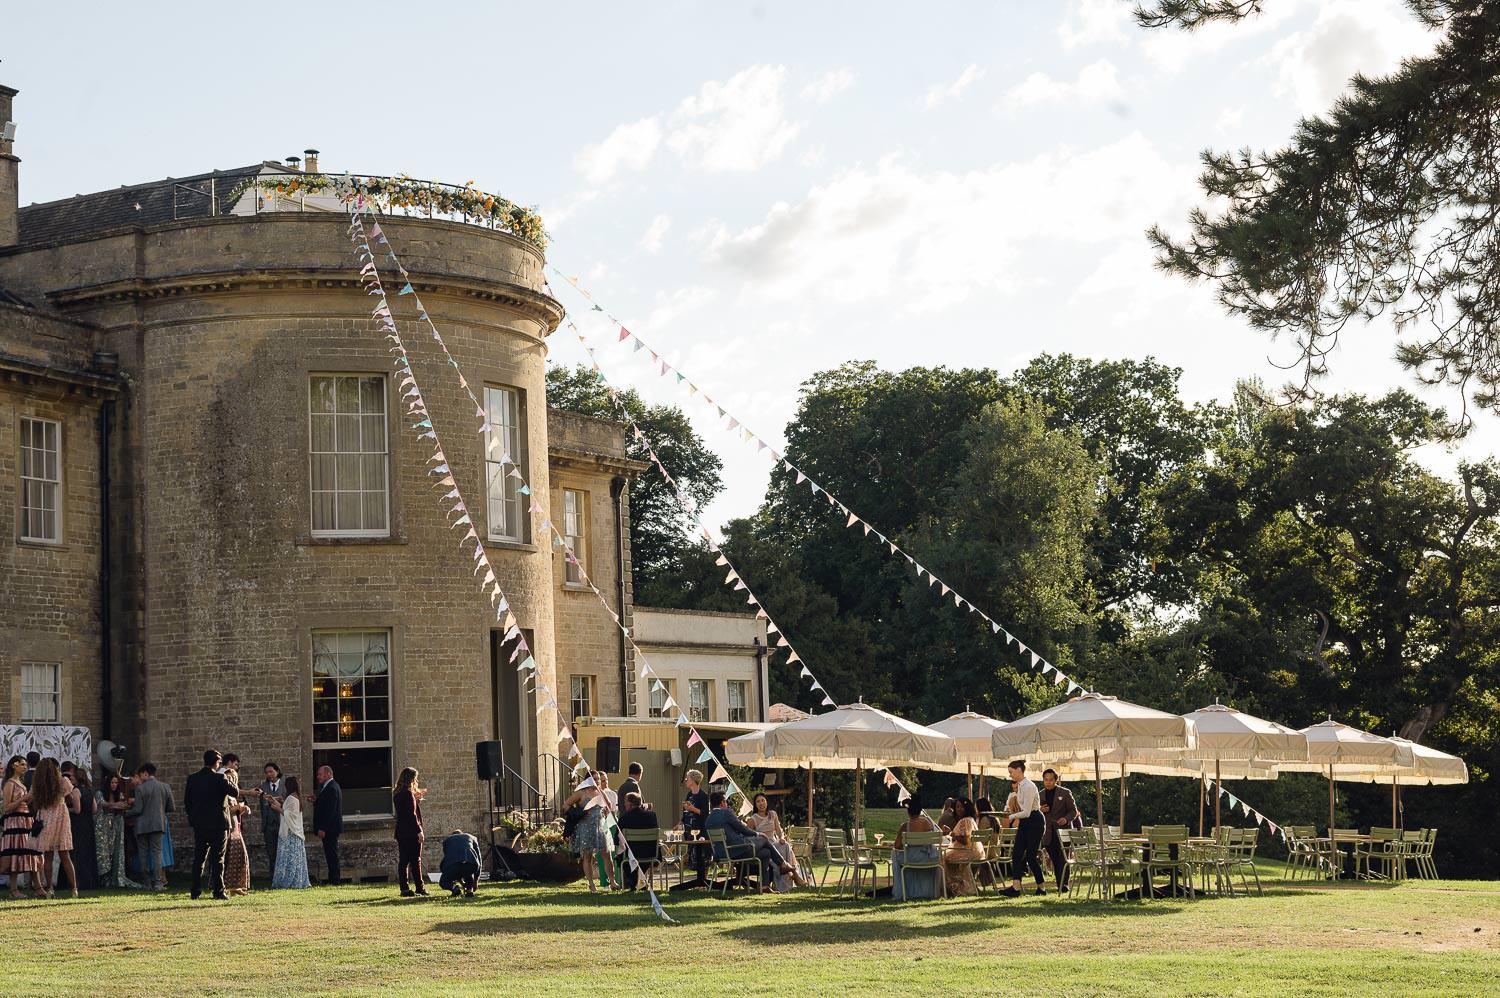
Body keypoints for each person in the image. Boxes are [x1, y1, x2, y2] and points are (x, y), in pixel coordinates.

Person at [704, 791, 794, 893]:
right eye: (726, 801)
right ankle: (782, 864)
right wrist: (757, 834)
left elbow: (730, 831)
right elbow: (743, 829)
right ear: (722, 803)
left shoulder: (708, 819)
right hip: (738, 850)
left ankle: (764, 886)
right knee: (764, 839)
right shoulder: (727, 813)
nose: (727, 804)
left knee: (766, 853)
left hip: (721, 854)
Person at [184, 748, 242, 900]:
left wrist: (194, 818)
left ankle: (195, 891)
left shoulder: (193, 778)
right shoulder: (219, 778)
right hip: (218, 824)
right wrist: (231, 779)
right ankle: (218, 891)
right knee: (218, 859)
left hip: (200, 824)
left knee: (199, 859)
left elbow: (187, 802)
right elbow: (234, 792)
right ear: (217, 763)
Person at [559, 772, 619, 892]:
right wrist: (577, 813)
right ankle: (591, 884)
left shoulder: (601, 793)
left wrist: (605, 812)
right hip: (586, 828)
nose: (597, 781)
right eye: (594, 779)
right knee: (588, 856)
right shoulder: (581, 793)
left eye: (598, 779)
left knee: (607, 855)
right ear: (588, 780)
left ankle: (612, 882)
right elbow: (565, 805)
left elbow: (609, 806)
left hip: (601, 828)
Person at [31, 758, 78, 898]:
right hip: (61, 817)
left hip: (46, 818)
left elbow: (36, 804)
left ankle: (50, 888)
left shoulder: (38, 784)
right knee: (65, 856)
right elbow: (69, 798)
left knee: (48, 856)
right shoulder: (63, 781)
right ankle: (74, 888)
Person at [124, 762, 174, 891]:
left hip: (142, 825)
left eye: (141, 775)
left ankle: (146, 882)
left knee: (143, 854)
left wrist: (126, 813)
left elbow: (138, 809)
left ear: (146, 773)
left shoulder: (140, 789)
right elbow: (171, 807)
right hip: (158, 824)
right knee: (157, 853)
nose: (140, 778)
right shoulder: (165, 787)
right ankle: (158, 883)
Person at [1001, 760, 1046, 898]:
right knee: (1016, 854)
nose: (1010, 776)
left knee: (1031, 857)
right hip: (1025, 822)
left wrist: (1011, 816)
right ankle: (1015, 888)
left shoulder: (1029, 786)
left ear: (1019, 770)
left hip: (1035, 821)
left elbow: (1026, 811)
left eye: (1011, 772)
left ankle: (1041, 888)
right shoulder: (1020, 786)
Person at [745, 792, 809, 889]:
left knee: (785, 845)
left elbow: (779, 831)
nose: (761, 803)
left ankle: (794, 874)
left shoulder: (773, 814)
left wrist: (782, 838)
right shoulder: (753, 819)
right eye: (758, 802)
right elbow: (748, 836)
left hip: (775, 842)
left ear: (766, 802)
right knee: (781, 849)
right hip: (764, 846)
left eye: (763, 800)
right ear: (755, 805)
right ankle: (794, 875)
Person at [2, 755, 44, 899]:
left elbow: (24, 802)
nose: (25, 767)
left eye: (26, 764)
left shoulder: (20, 783)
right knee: (15, 853)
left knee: (29, 853)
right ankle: (14, 889)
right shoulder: (10, 783)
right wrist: (23, 799)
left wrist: (31, 796)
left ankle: (38, 886)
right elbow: (7, 807)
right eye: (22, 764)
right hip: (15, 823)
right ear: (14, 766)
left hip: (25, 821)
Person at [94, 773, 141, 889]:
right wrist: (115, 805)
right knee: (104, 851)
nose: (114, 785)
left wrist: (118, 805)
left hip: (115, 826)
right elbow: (103, 804)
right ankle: (103, 877)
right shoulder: (100, 793)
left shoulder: (118, 794)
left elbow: (124, 806)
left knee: (115, 851)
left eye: (116, 783)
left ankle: (114, 877)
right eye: (112, 782)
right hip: (103, 827)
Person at [892, 797, 942, 900]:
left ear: (908, 811)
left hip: (912, 859)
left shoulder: (905, 826)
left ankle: (902, 890)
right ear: (920, 810)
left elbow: (897, 846)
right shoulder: (929, 823)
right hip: (930, 858)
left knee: (894, 854)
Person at [670, 769, 711, 890]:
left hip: (700, 829)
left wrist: (693, 809)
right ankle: (699, 881)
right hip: (689, 828)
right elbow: (686, 812)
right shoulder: (689, 795)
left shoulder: (703, 796)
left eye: (687, 778)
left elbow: (705, 814)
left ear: (693, 780)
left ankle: (703, 881)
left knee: (702, 855)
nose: (686, 780)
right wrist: (679, 823)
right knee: (692, 854)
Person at [1039, 769, 1078, 892]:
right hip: (1048, 833)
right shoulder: (1039, 795)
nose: (1048, 782)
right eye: (1046, 780)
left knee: (1063, 858)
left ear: (1056, 780)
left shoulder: (1065, 793)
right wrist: (1040, 810)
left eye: (1051, 780)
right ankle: (1059, 883)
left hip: (1064, 831)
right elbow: (1034, 812)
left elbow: (1073, 811)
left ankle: (1064, 885)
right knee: (1055, 859)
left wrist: (1066, 819)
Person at [269, 777, 310, 889]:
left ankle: (289, 880)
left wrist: (277, 808)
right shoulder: (296, 797)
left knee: (288, 858)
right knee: (295, 858)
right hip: (296, 832)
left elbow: (288, 814)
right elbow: (289, 811)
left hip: (290, 833)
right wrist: (278, 802)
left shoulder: (292, 798)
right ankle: (297, 879)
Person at [393, 766, 428, 897]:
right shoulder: (408, 794)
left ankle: (404, 887)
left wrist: (415, 799)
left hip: (401, 831)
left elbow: (404, 812)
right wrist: (419, 830)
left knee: (403, 861)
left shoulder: (397, 793)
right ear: (411, 779)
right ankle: (420, 887)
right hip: (411, 831)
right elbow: (412, 815)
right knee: (416, 860)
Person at [616, 791, 660, 891]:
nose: (624, 805)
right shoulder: (652, 816)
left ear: (630, 805)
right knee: (640, 858)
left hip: (631, 855)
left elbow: (616, 839)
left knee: (621, 857)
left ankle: (634, 881)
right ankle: (639, 881)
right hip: (650, 853)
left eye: (625, 803)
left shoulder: (624, 818)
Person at [944, 797, 984, 896]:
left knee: (942, 857)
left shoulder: (965, 821)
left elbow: (965, 841)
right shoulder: (970, 820)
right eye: (957, 807)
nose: (959, 809)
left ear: (967, 808)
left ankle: (953, 887)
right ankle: (957, 885)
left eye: (962, 807)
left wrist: (950, 833)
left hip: (968, 853)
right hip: (977, 853)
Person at [222, 768, 253, 896]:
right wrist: (238, 808)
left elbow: (235, 811)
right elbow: (225, 811)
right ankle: (224, 886)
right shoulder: (223, 793)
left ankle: (236, 886)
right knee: (226, 858)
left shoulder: (233, 794)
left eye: (232, 778)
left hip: (236, 828)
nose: (230, 780)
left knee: (240, 857)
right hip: (227, 829)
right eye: (228, 778)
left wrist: (242, 809)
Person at [311, 765, 343, 884]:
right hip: (330, 827)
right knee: (330, 853)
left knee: (332, 854)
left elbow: (330, 811)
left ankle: (335, 879)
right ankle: (333, 878)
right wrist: (316, 801)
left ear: (328, 774)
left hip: (330, 828)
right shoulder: (327, 786)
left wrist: (323, 828)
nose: (318, 777)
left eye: (320, 774)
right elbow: (325, 804)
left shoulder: (331, 788)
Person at [68, 766, 98, 890]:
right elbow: (95, 809)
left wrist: (66, 809)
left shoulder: (76, 791)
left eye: (72, 777)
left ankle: (78, 881)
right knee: (88, 852)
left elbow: (77, 809)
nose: (70, 779)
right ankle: (90, 881)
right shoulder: (90, 790)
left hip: (79, 824)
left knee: (78, 852)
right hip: (89, 823)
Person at [439, 828, 482, 897]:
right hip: (470, 865)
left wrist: (460, 883)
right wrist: (476, 881)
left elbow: (450, 860)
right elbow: (479, 859)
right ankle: (469, 891)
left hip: (453, 865)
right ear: (462, 834)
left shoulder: (447, 840)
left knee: (443, 882)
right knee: (468, 870)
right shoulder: (472, 837)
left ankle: (454, 887)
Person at [259, 762, 284, 877]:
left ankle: (282, 875)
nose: (269, 774)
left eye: (271, 771)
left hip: (282, 823)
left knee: (282, 851)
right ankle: (273, 876)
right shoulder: (263, 787)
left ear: (277, 771)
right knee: (271, 852)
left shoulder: (285, 786)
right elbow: (261, 807)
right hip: (268, 825)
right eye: (266, 772)